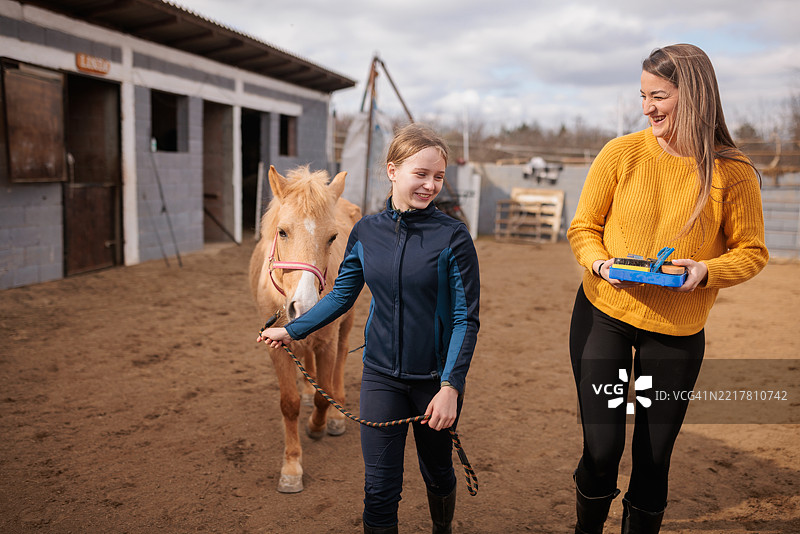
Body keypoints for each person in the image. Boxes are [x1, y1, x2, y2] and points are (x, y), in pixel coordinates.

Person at [567, 44, 768, 534]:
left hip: (675, 331)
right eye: (643, 96)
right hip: (604, 316)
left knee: (653, 458)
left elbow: (753, 251)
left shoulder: (732, 172)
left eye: (659, 96)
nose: (647, 108)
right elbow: (583, 227)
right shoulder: (621, 152)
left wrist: (705, 271)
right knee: (602, 447)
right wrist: (599, 263)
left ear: (694, 96)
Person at [258, 123, 480, 534]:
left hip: (433, 380)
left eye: (438, 177)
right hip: (380, 377)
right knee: (379, 490)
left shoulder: (454, 237)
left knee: (438, 473)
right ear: (393, 171)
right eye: (421, 174)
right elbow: (342, 296)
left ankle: (442, 528)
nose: (431, 185)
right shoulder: (365, 232)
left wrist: (451, 386)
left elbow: (467, 318)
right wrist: (291, 331)